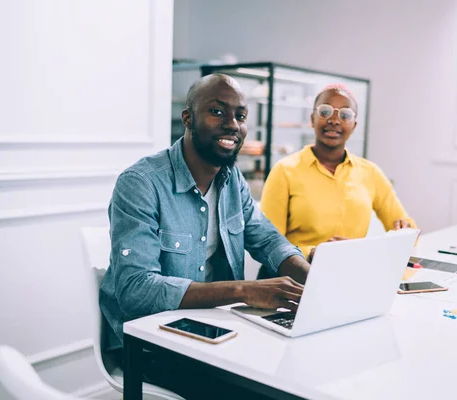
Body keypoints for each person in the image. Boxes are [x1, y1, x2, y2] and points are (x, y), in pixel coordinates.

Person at [99, 74, 310, 398]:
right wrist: (245, 290)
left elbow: (266, 239)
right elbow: (135, 291)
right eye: (217, 111)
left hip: (219, 332)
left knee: (299, 375)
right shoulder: (141, 183)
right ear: (188, 118)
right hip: (153, 344)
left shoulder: (231, 179)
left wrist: (314, 280)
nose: (232, 124)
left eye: (240, 116)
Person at [261, 83, 416, 263]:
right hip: (296, 276)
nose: (334, 120)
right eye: (325, 112)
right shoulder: (284, 170)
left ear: (354, 125)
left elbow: (409, 231)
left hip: (350, 273)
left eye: (345, 115)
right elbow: (269, 244)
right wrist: (312, 252)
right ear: (312, 119)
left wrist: (405, 230)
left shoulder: (370, 173)